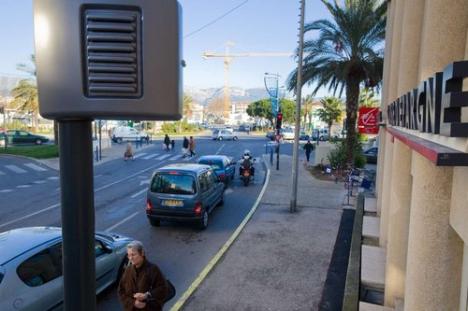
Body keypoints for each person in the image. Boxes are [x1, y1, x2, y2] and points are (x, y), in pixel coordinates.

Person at [118, 241, 169, 311]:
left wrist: (147, 295)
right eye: (128, 255)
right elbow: (121, 291)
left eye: (133, 255)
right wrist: (133, 303)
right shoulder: (128, 270)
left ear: (142, 253)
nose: (130, 258)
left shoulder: (153, 269)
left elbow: (163, 289)